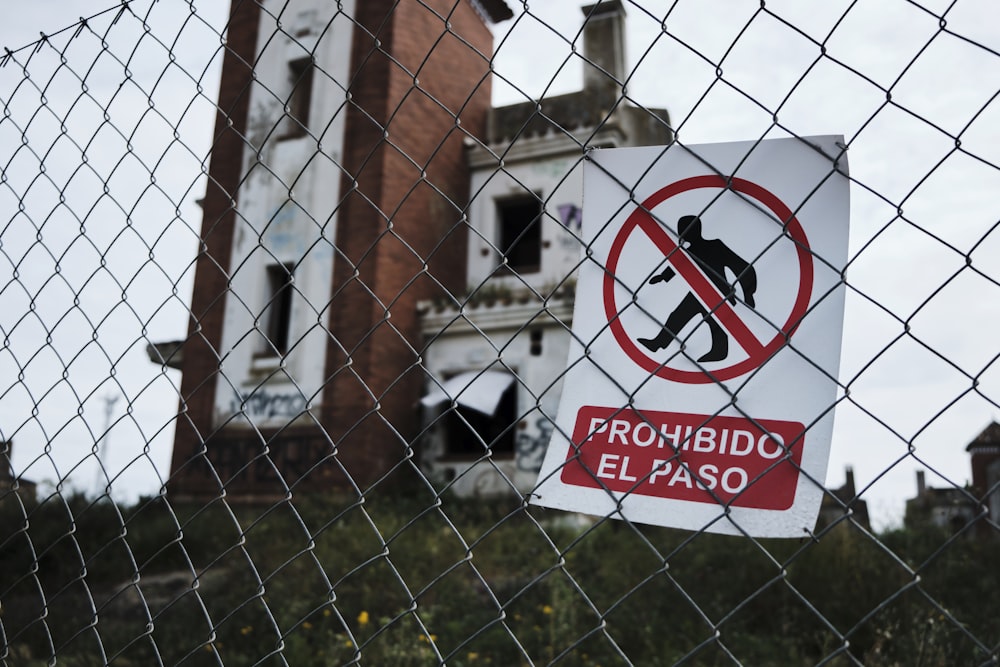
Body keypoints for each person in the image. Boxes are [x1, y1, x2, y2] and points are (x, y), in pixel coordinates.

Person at [637, 215, 757, 363]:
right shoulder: (687, 253)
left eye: (684, 230)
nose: (681, 233)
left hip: (720, 294)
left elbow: (741, 266)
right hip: (698, 293)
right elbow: (677, 266)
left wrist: (749, 293)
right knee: (677, 316)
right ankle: (659, 343)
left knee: (715, 322)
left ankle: (719, 350)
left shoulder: (715, 246)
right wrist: (663, 276)